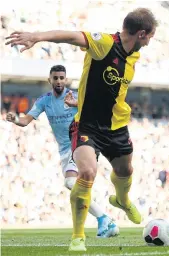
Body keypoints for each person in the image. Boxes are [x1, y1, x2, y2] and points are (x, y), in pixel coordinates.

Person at [6, 8, 158, 252]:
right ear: (141, 33)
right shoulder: (105, 43)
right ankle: (78, 237)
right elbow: (70, 36)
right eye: (150, 37)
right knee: (86, 173)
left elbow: (109, 92)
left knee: (125, 169)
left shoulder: (134, 56)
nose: (150, 42)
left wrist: (82, 99)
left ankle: (122, 200)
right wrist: (37, 36)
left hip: (117, 126)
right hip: (87, 125)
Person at [6, 65, 118, 238]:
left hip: (81, 142)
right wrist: (15, 119)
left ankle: (104, 219)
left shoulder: (74, 95)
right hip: (65, 150)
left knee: (71, 184)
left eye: (61, 78)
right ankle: (104, 220)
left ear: (65, 79)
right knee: (73, 185)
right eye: (55, 78)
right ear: (49, 80)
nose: (59, 81)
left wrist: (77, 104)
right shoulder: (44, 100)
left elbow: (97, 107)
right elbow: (25, 120)